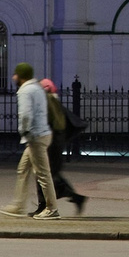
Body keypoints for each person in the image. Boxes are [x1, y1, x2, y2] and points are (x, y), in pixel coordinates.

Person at [0, 62, 58, 219]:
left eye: (15, 74)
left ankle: (52, 209)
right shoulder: (38, 88)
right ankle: (18, 205)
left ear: (21, 76)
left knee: (43, 174)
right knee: (23, 169)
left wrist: (24, 130)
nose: (13, 77)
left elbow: (25, 114)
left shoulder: (25, 91)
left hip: (35, 136)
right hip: (42, 133)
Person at [43, 77, 86, 217]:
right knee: (48, 174)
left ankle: (73, 198)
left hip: (53, 143)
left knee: (48, 175)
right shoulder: (53, 101)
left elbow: (54, 125)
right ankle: (73, 198)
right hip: (55, 142)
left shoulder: (50, 101)